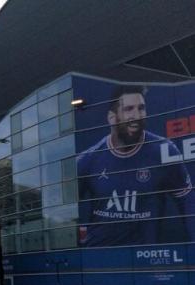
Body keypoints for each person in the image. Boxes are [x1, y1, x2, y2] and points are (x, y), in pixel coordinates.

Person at [77, 84, 193, 247]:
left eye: (141, 108)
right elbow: (64, 209)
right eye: (129, 109)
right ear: (112, 117)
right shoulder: (88, 160)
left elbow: (188, 202)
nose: (136, 115)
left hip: (145, 260)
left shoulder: (164, 151)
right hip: (100, 260)